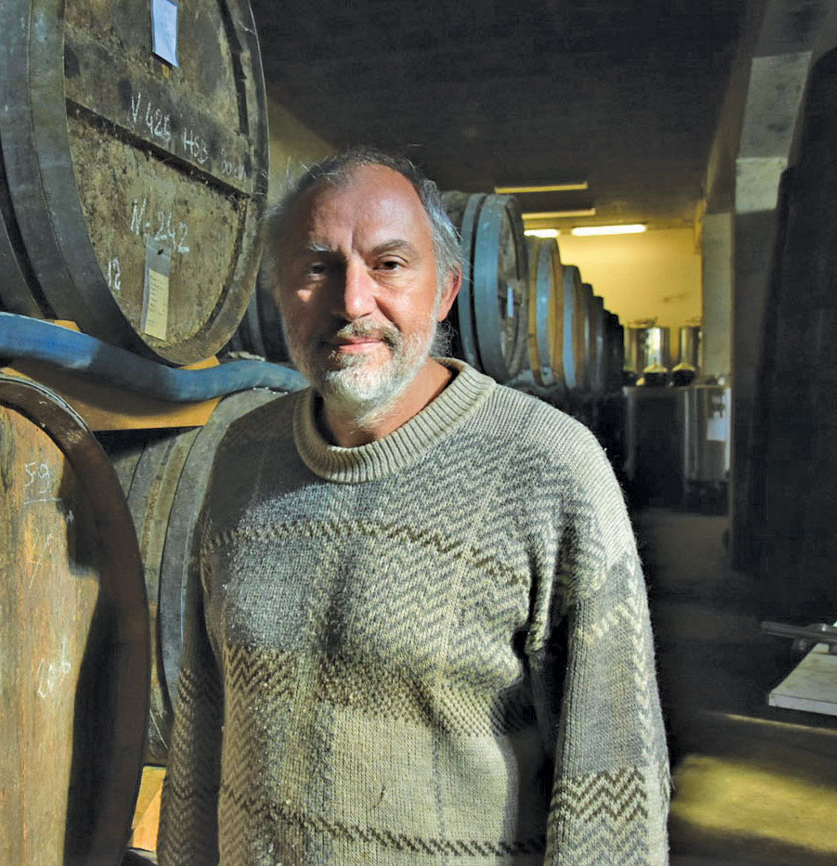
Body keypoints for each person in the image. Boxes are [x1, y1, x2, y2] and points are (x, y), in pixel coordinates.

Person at [157, 150, 669, 864]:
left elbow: (612, 777)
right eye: (317, 268)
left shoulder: (549, 466)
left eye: (389, 264)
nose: (352, 302)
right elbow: (203, 716)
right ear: (280, 292)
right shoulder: (242, 458)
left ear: (447, 290)